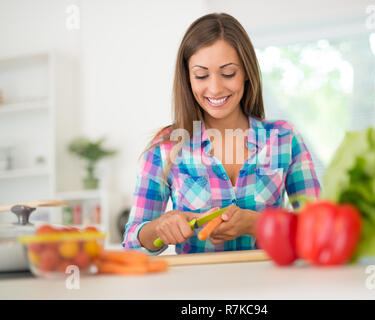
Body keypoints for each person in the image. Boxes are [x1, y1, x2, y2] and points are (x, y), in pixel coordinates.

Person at [122, 13, 321, 255]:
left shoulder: (284, 138)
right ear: (188, 77)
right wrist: (158, 228)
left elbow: (318, 228)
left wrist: (255, 224)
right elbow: (133, 240)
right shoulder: (165, 147)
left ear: (247, 72)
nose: (215, 88)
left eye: (228, 73)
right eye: (201, 75)